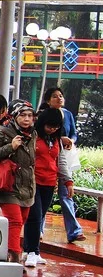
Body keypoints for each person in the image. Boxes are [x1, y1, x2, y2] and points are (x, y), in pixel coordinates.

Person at [0, 99, 37, 265]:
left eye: (30, 115)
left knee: (21, 221)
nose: (27, 119)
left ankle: (7, 251)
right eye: (23, 115)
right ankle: (15, 259)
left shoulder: (33, 134)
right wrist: (11, 147)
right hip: (8, 185)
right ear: (15, 116)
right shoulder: (4, 132)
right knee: (14, 222)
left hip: (27, 185)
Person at [41, 86, 85, 243]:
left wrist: (70, 140)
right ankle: (38, 230)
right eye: (54, 96)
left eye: (61, 96)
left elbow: (73, 133)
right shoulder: (42, 116)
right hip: (47, 161)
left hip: (64, 157)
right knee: (43, 196)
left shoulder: (67, 114)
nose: (59, 98)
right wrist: (61, 139)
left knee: (67, 194)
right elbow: (44, 135)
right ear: (48, 100)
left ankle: (74, 230)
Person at [22, 108, 64, 268]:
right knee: (35, 215)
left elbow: (60, 161)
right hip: (33, 181)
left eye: (56, 127)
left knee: (40, 215)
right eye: (49, 126)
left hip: (50, 181)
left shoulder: (56, 140)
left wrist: (66, 181)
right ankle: (34, 251)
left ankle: (29, 249)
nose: (52, 129)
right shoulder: (32, 136)